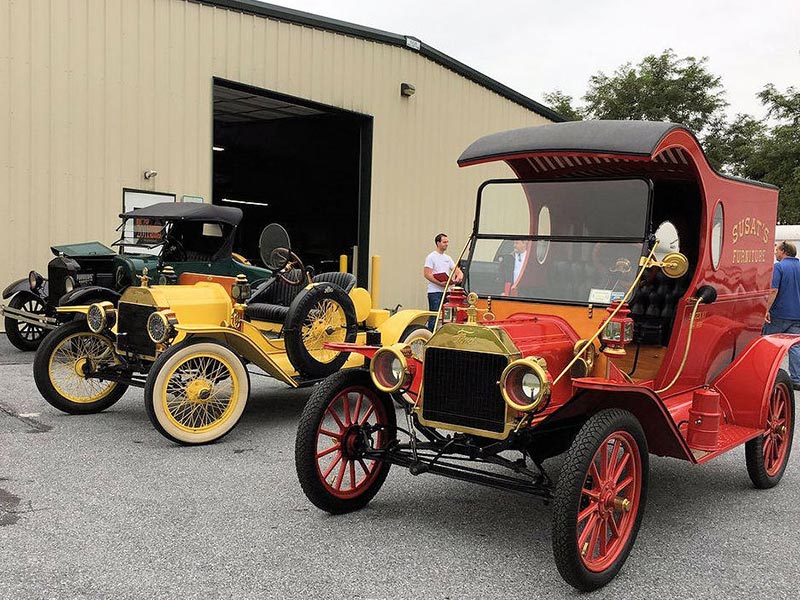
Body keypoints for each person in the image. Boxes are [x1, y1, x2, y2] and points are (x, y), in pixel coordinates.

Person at [764, 240, 800, 388]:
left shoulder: (779, 267)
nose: (775, 252)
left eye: (777, 250)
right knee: (795, 347)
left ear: (784, 252)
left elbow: (773, 290)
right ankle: (796, 379)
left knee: (768, 343)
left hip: (779, 313)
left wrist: (766, 309)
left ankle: (766, 376)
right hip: (797, 314)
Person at [423, 233, 463, 330]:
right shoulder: (431, 257)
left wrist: (459, 276)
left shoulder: (447, 258)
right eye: (444, 242)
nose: (446, 244)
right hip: (435, 292)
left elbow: (457, 270)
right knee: (434, 315)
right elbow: (427, 274)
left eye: (447, 242)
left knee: (448, 316)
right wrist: (439, 283)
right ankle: (430, 335)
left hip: (446, 291)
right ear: (438, 243)